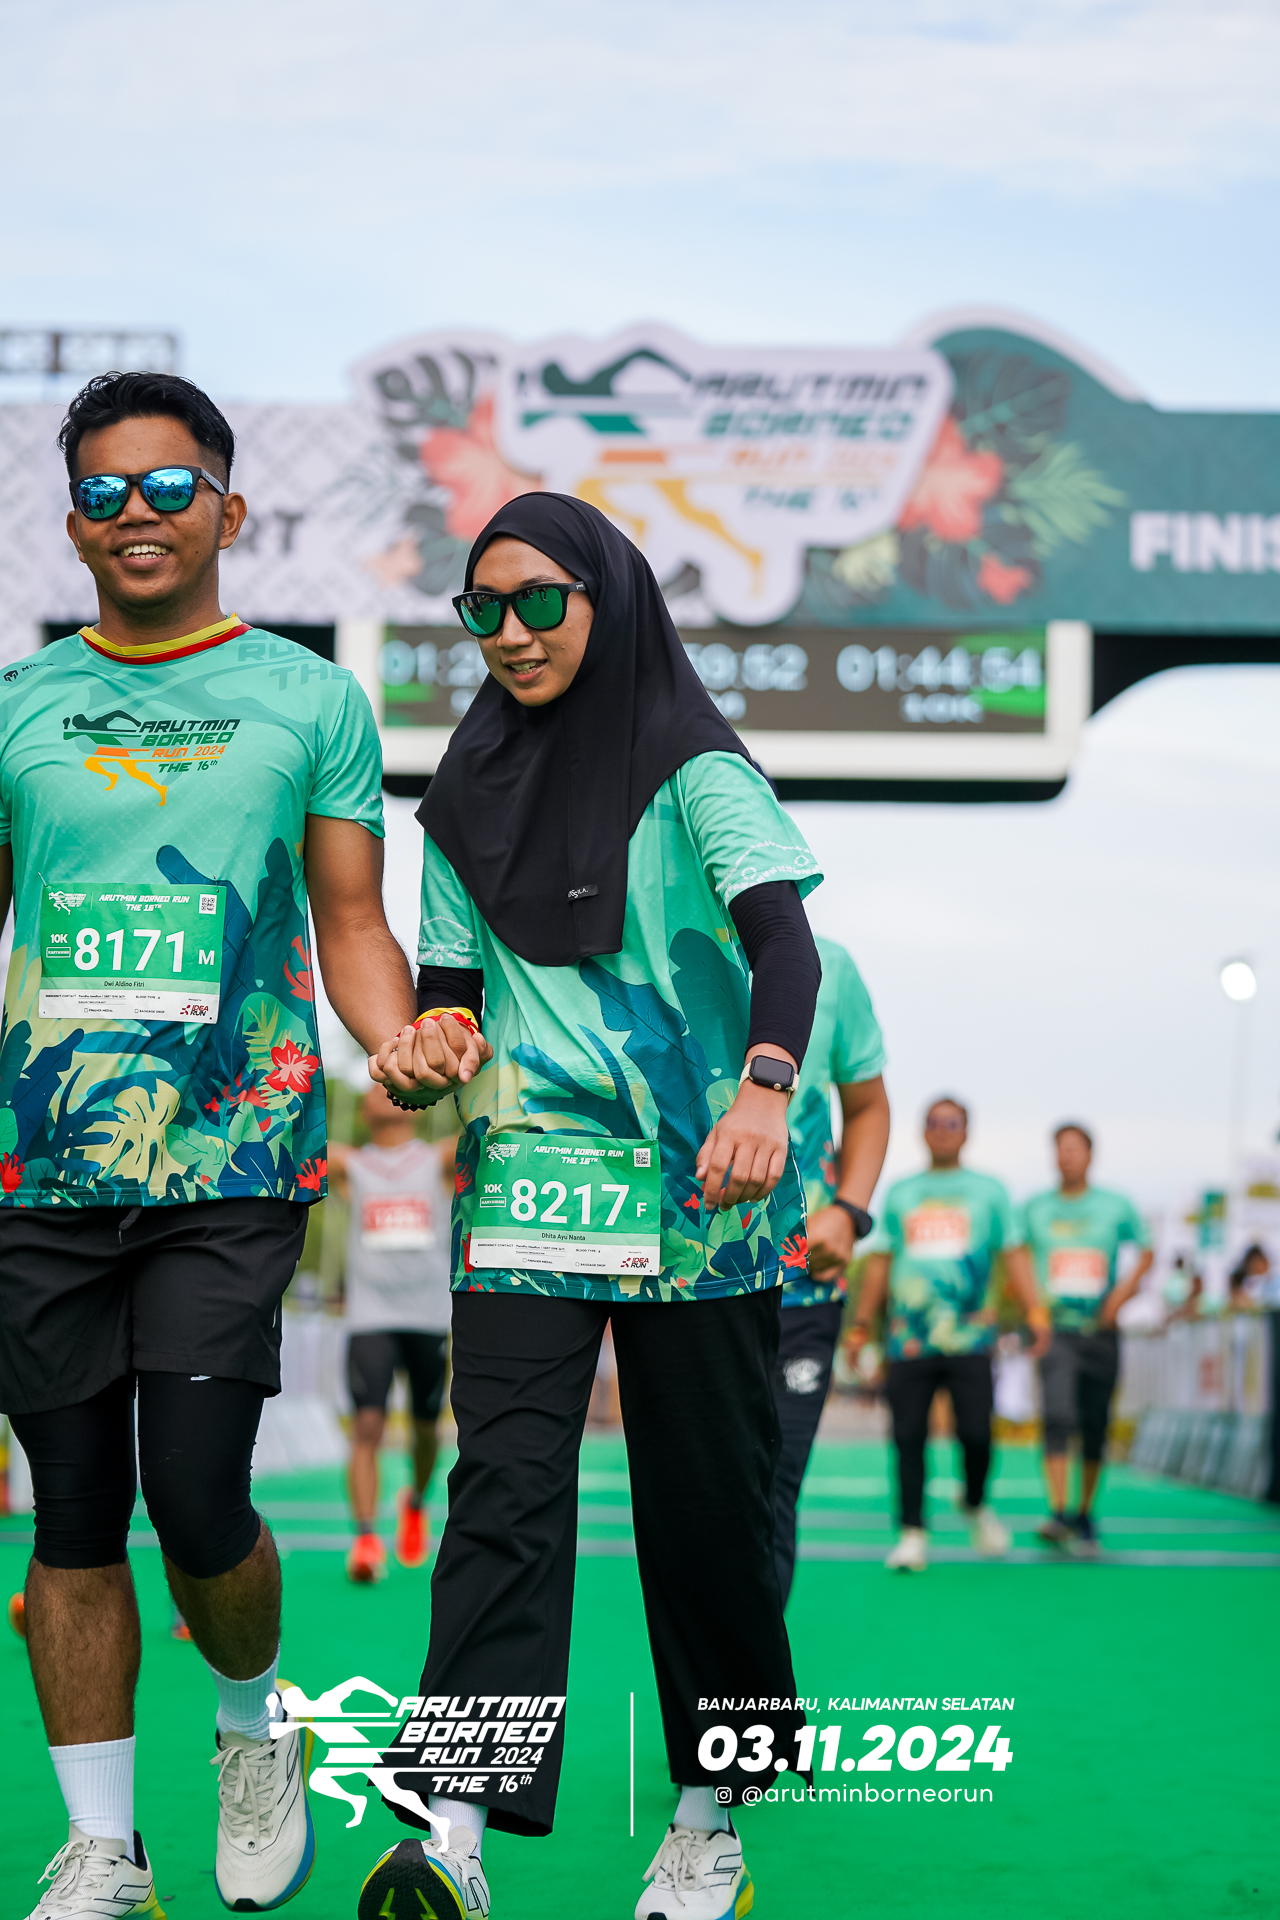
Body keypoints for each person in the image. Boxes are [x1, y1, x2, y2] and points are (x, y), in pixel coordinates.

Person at [357, 493, 823, 1920]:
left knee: (706, 1512)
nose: (508, 632)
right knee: (501, 1491)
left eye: (538, 601)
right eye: (481, 609)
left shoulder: (694, 766)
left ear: (605, 600)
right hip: (533, 1192)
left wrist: (764, 1089)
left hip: (705, 1198)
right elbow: (451, 991)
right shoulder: (461, 793)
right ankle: (452, 1833)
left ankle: (707, 1820)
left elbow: (784, 943)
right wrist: (431, 1046)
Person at [0, 373, 418, 1920]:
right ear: (72, 525)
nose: (137, 514)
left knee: (194, 1496)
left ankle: (253, 1727)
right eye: (104, 492)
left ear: (228, 511)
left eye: (169, 488)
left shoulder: (312, 702)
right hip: (39, 1167)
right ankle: (104, 1849)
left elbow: (351, 922)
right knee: (70, 1513)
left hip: (232, 1160)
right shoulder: (18, 706)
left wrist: (399, 1039)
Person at [849, 1097, 1046, 1573]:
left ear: (966, 1131)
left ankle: (975, 1504)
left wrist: (1036, 1311)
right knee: (908, 1437)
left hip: (971, 1338)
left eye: (952, 1122)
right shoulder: (901, 1191)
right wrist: (859, 1325)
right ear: (923, 1130)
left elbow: (1014, 1252)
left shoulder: (990, 1191)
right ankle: (912, 1532)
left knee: (977, 1435)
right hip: (909, 1340)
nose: (942, 1129)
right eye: (934, 1122)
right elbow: (880, 1260)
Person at [771, 936, 888, 1606]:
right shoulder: (649, 934)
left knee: (776, 1482)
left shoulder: (829, 965)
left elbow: (868, 1104)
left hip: (805, 1285)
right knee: (701, 1495)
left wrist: (849, 1211)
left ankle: (750, 1662)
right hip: (686, 1287)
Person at [326, 1085, 454, 1582]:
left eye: (392, 1087)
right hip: (370, 1317)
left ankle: (416, 1502)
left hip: (428, 1317)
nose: (382, 1092)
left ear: (417, 1105)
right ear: (363, 1110)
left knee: (425, 1430)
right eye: (373, 1090)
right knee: (367, 1426)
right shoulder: (351, 1165)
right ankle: (364, 1540)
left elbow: (488, 1128)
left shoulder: (439, 1159)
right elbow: (292, 1135)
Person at [1021, 1122, 1153, 1557]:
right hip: (1055, 1329)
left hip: (1101, 1331)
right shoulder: (1035, 1208)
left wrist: (1120, 1297)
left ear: (1090, 1155)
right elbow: (1016, 1254)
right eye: (1060, 1148)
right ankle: (1059, 1512)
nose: (1067, 1156)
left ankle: (1084, 1513)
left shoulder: (1116, 1205)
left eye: (1075, 1149)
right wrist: (1033, 1308)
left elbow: (1147, 1250)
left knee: (1096, 1424)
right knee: (1057, 1415)